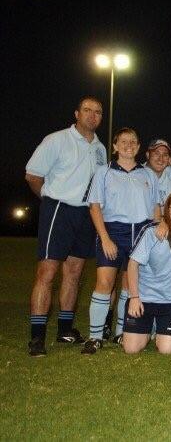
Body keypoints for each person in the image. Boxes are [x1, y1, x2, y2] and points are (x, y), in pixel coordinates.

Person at [25, 96, 105, 356]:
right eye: (87, 110)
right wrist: (51, 199)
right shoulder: (57, 139)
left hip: (85, 214)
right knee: (47, 273)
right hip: (59, 209)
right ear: (77, 113)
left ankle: (64, 330)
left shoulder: (100, 148)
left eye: (97, 112)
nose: (92, 115)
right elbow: (33, 175)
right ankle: (37, 337)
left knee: (74, 273)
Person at [82, 127, 161, 354]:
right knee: (105, 282)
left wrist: (154, 237)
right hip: (113, 231)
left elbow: (156, 208)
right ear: (115, 146)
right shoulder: (103, 172)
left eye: (133, 142)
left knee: (129, 285)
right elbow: (95, 206)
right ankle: (95, 336)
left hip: (141, 233)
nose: (129, 145)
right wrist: (105, 238)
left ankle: (120, 332)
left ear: (138, 147)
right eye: (124, 142)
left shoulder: (148, 174)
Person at [122, 190, 171, 354]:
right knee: (131, 349)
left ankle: (158, 327)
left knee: (166, 350)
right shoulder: (152, 232)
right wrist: (134, 297)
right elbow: (132, 264)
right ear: (167, 210)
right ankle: (150, 326)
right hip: (143, 299)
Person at [145, 139, 171, 213]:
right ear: (148, 155)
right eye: (156, 153)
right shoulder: (137, 175)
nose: (160, 159)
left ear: (169, 158)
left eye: (165, 155)